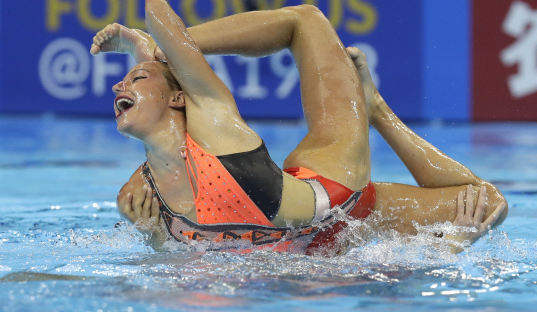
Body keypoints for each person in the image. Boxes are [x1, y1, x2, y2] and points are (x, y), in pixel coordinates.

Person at [90, 2, 507, 254]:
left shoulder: (214, 125)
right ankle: (372, 107)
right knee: (481, 202)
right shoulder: (137, 197)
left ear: (179, 98)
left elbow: (161, 18)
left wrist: (158, 51)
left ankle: (376, 110)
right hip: (311, 252)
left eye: (136, 78)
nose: (117, 84)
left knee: (487, 204)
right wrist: (152, 238)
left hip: (338, 197)